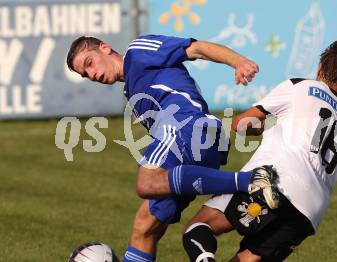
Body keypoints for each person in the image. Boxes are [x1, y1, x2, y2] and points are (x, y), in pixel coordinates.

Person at [66, 34, 279, 262]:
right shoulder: (132, 89)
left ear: (105, 48)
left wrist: (238, 61)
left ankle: (251, 181)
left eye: (89, 63)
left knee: (146, 181)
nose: (91, 74)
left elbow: (197, 48)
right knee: (145, 226)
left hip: (187, 125)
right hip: (196, 141)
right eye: (85, 75)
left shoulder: (137, 51)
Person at [181, 40, 337, 262]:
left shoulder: (300, 86)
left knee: (198, 228)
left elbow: (241, 124)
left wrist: (260, 129)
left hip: (274, 182)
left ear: (320, 68)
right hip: (310, 211)